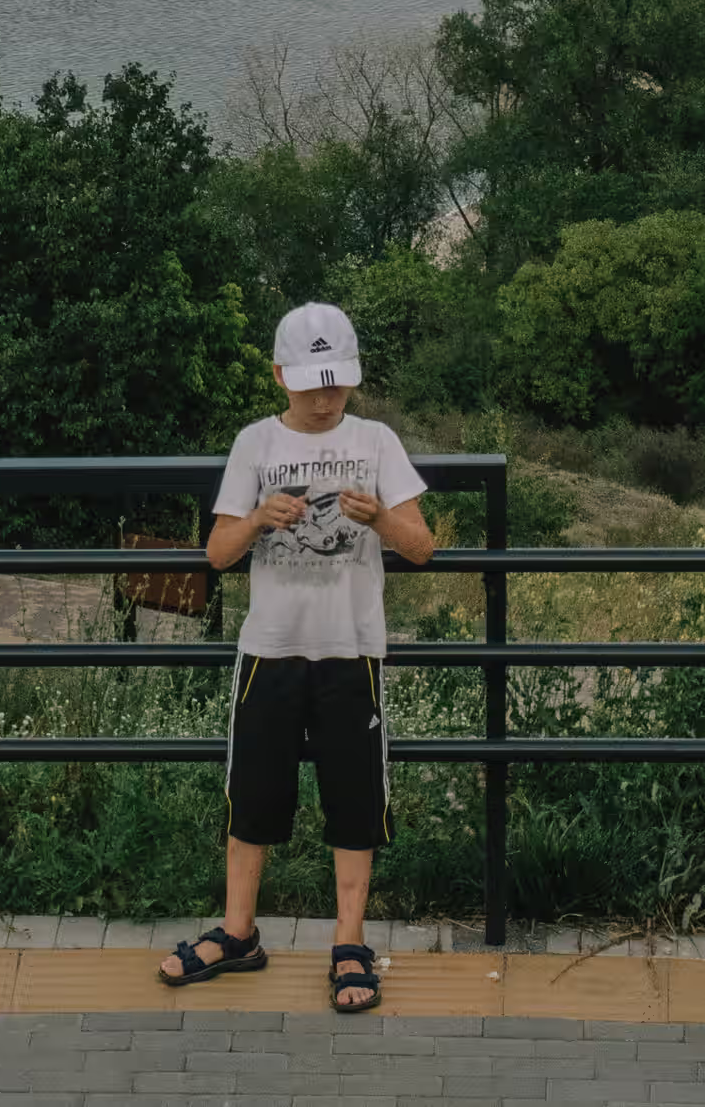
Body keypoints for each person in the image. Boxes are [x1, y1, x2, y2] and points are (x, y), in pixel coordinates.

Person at [155, 299, 435, 1015]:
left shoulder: (376, 439)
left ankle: (350, 944)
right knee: (252, 796)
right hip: (269, 650)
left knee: (352, 802)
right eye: (311, 381)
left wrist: (380, 517)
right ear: (281, 373)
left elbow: (424, 546)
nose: (323, 395)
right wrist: (256, 517)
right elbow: (216, 556)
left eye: (336, 380)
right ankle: (239, 932)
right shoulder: (255, 443)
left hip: (352, 649)